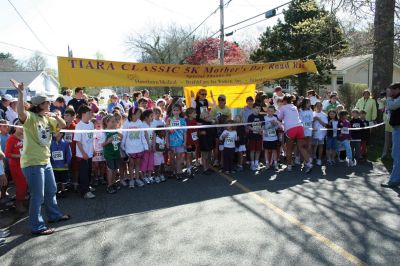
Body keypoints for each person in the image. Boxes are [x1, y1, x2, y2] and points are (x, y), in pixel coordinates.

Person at [11, 79, 69, 236]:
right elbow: (21, 113)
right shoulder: (30, 118)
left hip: (45, 160)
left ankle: (54, 216)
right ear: (39, 105)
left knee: (51, 189)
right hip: (32, 162)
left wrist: (57, 116)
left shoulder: (48, 118)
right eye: (46, 102)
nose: (49, 104)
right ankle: (37, 226)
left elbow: (64, 125)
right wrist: (21, 93)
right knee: (38, 195)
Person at [277, 94, 313, 173]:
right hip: (300, 128)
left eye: (283, 101)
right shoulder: (295, 107)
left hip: (291, 129)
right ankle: (309, 164)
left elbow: (279, 118)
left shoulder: (283, 107)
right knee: (301, 147)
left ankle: (289, 166)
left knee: (289, 149)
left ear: (285, 101)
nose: (282, 102)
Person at [121, 107, 146, 188]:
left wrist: (145, 145)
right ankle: (132, 179)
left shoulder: (140, 123)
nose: (140, 114)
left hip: (139, 147)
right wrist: (123, 144)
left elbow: (142, 135)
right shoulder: (127, 123)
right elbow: (124, 135)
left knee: (137, 163)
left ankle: (137, 179)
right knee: (131, 164)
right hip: (130, 148)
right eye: (138, 113)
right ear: (133, 114)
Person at [74, 105, 95, 199]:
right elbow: (78, 141)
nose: (91, 114)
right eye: (89, 113)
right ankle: (85, 192)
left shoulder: (91, 124)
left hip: (89, 153)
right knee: (83, 173)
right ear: (83, 114)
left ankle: (85, 187)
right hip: (82, 155)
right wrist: (83, 153)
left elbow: (92, 138)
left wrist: (93, 149)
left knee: (89, 171)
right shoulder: (79, 126)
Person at [5, 119, 26, 213]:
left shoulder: (26, 137)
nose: (22, 127)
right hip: (16, 166)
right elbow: (7, 154)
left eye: (23, 125)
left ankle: (23, 200)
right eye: (19, 125)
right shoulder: (11, 139)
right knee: (21, 185)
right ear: (15, 127)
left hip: (26, 164)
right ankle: (18, 204)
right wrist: (20, 156)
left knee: (27, 184)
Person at [381, 83, 400, 188]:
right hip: (396, 128)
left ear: (397, 89)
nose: (390, 93)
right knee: (396, 154)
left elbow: (392, 106)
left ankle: (394, 180)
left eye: (391, 90)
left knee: (397, 155)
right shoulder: (396, 98)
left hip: (399, 129)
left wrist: (388, 97)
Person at [102, 114, 122, 194]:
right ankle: (109, 186)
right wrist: (108, 141)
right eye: (112, 122)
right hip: (109, 154)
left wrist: (120, 135)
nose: (114, 123)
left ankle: (113, 183)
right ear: (107, 122)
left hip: (116, 153)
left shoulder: (115, 130)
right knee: (110, 169)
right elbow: (102, 144)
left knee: (115, 169)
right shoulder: (104, 132)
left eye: (115, 121)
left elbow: (121, 137)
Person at [166, 105, 187, 179]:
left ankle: (179, 171)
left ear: (180, 111)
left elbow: (185, 132)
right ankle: (173, 171)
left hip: (180, 142)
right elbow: (167, 132)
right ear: (172, 111)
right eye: (174, 110)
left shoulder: (183, 120)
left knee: (179, 157)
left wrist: (185, 141)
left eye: (177, 110)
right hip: (171, 142)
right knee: (172, 158)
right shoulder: (169, 119)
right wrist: (167, 142)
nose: (175, 112)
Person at [50, 130, 72, 198]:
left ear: (62, 134)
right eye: (54, 132)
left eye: (57, 132)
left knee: (64, 179)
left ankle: (63, 190)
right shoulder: (50, 143)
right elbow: (49, 153)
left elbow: (69, 154)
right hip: (54, 166)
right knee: (55, 179)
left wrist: (67, 162)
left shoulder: (66, 143)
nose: (55, 133)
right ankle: (55, 191)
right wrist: (50, 162)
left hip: (63, 166)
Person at [247, 103, 264, 171]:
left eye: (259, 108)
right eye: (256, 108)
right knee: (252, 150)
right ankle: (252, 163)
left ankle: (256, 163)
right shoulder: (250, 116)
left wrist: (261, 130)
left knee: (258, 150)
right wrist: (255, 129)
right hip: (252, 136)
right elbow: (248, 126)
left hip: (259, 136)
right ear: (254, 108)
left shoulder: (261, 116)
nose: (258, 110)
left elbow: (263, 125)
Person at [141, 109, 155, 184]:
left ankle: (149, 175)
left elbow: (153, 135)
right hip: (145, 147)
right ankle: (143, 176)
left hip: (151, 146)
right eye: (151, 116)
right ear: (146, 117)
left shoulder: (152, 124)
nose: (153, 117)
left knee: (151, 161)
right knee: (145, 161)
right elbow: (145, 135)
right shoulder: (143, 124)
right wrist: (148, 146)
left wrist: (153, 145)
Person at [263, 106, 280, 170]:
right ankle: (267, 163)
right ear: (267, 111)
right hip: (266, 138)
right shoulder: (264, 118)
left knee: (274, 150)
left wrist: (274, 125)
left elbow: (277, 127)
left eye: (272, 111)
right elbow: (263, 127)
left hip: (273, 137)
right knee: (266, 150)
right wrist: (265, 128)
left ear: (274, 112)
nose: (270, 112)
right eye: (269, 111)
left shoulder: (275, 118)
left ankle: (275, 164)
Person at [312, 102, 328, 166]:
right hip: (313, 133)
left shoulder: (324, 115)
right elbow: (309, 123)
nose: (319, 107)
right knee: (313, 145)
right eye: (317, 106)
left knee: (320, 145)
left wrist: (318, 119)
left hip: (321, 133)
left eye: (320, 106)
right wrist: (313, 120)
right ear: (315, 107)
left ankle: (319, 159)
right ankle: (312, 157)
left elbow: (325, 125)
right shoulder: (312, 114)